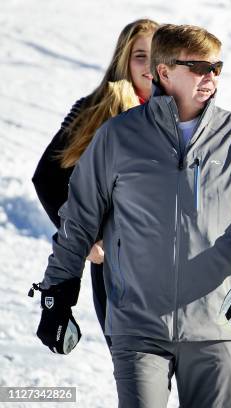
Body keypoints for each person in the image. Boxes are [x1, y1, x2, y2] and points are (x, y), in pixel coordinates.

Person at [31, 24, 231, 408]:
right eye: (198, 67)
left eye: (216, 67)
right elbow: (79, 221)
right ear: (165, 71)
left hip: (214, 324)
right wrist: (57, 293)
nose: (210, 76)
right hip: (138, 325)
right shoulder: (118, 136)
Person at [31, 18, 159, 348]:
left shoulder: (182, 112)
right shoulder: (97, 108)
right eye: (140, 56)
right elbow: (47, 177)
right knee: (135, 364)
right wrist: (88, 239)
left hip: (169, 261)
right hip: (117, 262)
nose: (150, 65)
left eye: (157, 55)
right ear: (124, 60)